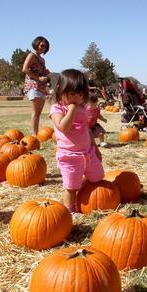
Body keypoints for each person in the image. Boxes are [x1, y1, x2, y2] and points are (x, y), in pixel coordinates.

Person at [49, 69, 104, 213]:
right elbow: (63, 127)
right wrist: (71, 109)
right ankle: (70, 210)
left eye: (80, 95)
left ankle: (82, 187)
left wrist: (95, 148)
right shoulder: (57, 108)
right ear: (61, 90)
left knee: (98, 177)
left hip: (87, 152)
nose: (76, 98)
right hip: (70, 157)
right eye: (72, 94)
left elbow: (86, 130)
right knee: (71, 188)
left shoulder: (82, 108)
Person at [23, 36, 51, 136]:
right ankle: (35, 135)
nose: (43, 48)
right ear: (36, 44)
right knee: (35, 112)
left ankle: (37, 133)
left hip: (41, 87)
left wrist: (48, 75)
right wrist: (38, 78)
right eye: (42, 45)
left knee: (39, 112)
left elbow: (43, 71)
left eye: (45, 47)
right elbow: (25, 69)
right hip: (33, 85)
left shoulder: (42, 60)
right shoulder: (32, 55)